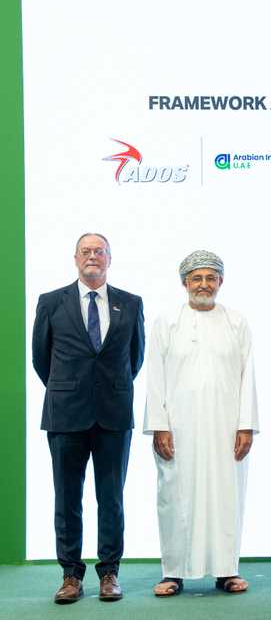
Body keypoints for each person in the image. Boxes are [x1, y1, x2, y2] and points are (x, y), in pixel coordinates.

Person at [32, 233, 145, 604]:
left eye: (99, 251)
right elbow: (41, 358)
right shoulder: (51, 302)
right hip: (65, 414)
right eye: (86, 251)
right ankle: (70, 576)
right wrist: (69, 388)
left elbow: (135, 357)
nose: (92, 256)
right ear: (75, 258)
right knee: (67, 498)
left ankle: (109, 573)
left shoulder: (131, 303)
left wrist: (107, 388)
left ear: (109, 258)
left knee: (111, 498)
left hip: (114, 413)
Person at [143, 250, 259, 596]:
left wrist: (246, 425)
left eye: (211, 278)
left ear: (221, 282)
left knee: (226, 496)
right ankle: (172, 572)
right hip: (178, 428)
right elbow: (154, 376)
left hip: (226, 428)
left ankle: (227, 571)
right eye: (197, 278)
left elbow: (248, 375)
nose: (204, 284)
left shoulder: (236, 322)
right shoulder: (167, 322)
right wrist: (159, 425)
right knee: (174, 496)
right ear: (185, 283)